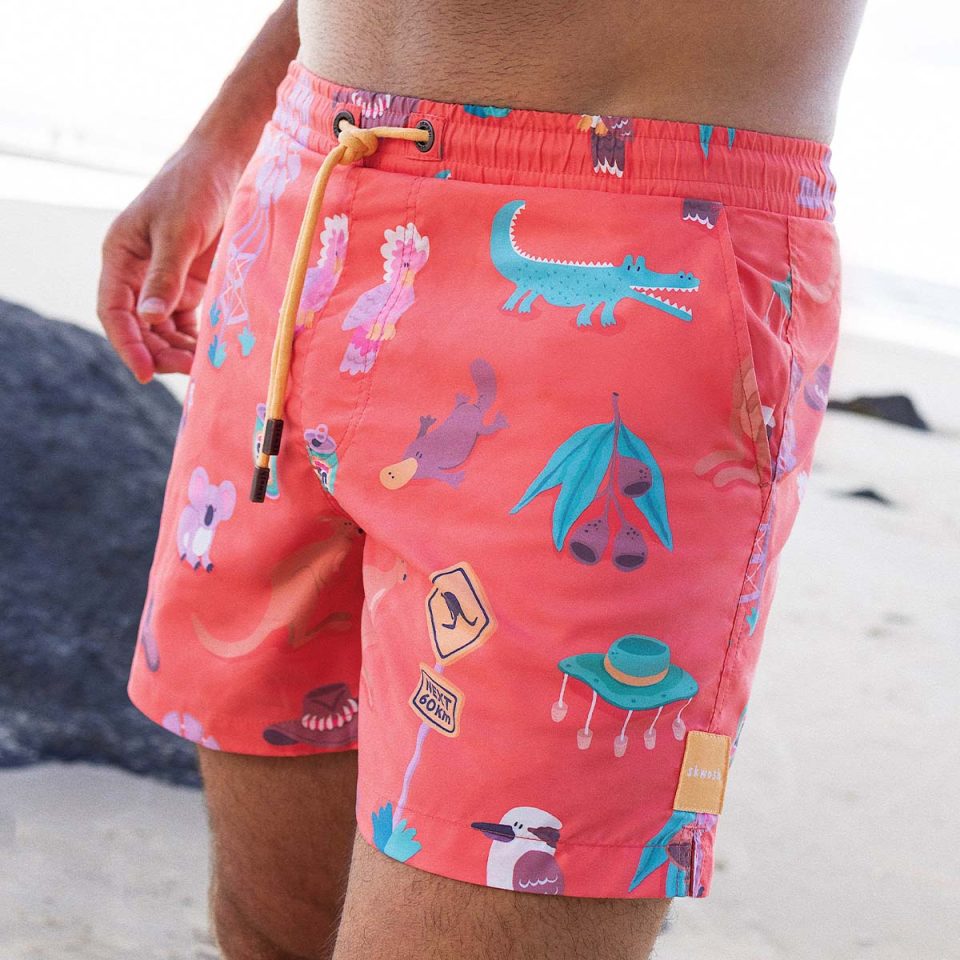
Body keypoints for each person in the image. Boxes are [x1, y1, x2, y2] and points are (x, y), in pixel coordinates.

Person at [98, 2, 867, 957]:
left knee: (512, 866)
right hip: (307, 194)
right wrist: (224, 137)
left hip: (635, 232)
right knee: (268, 927)